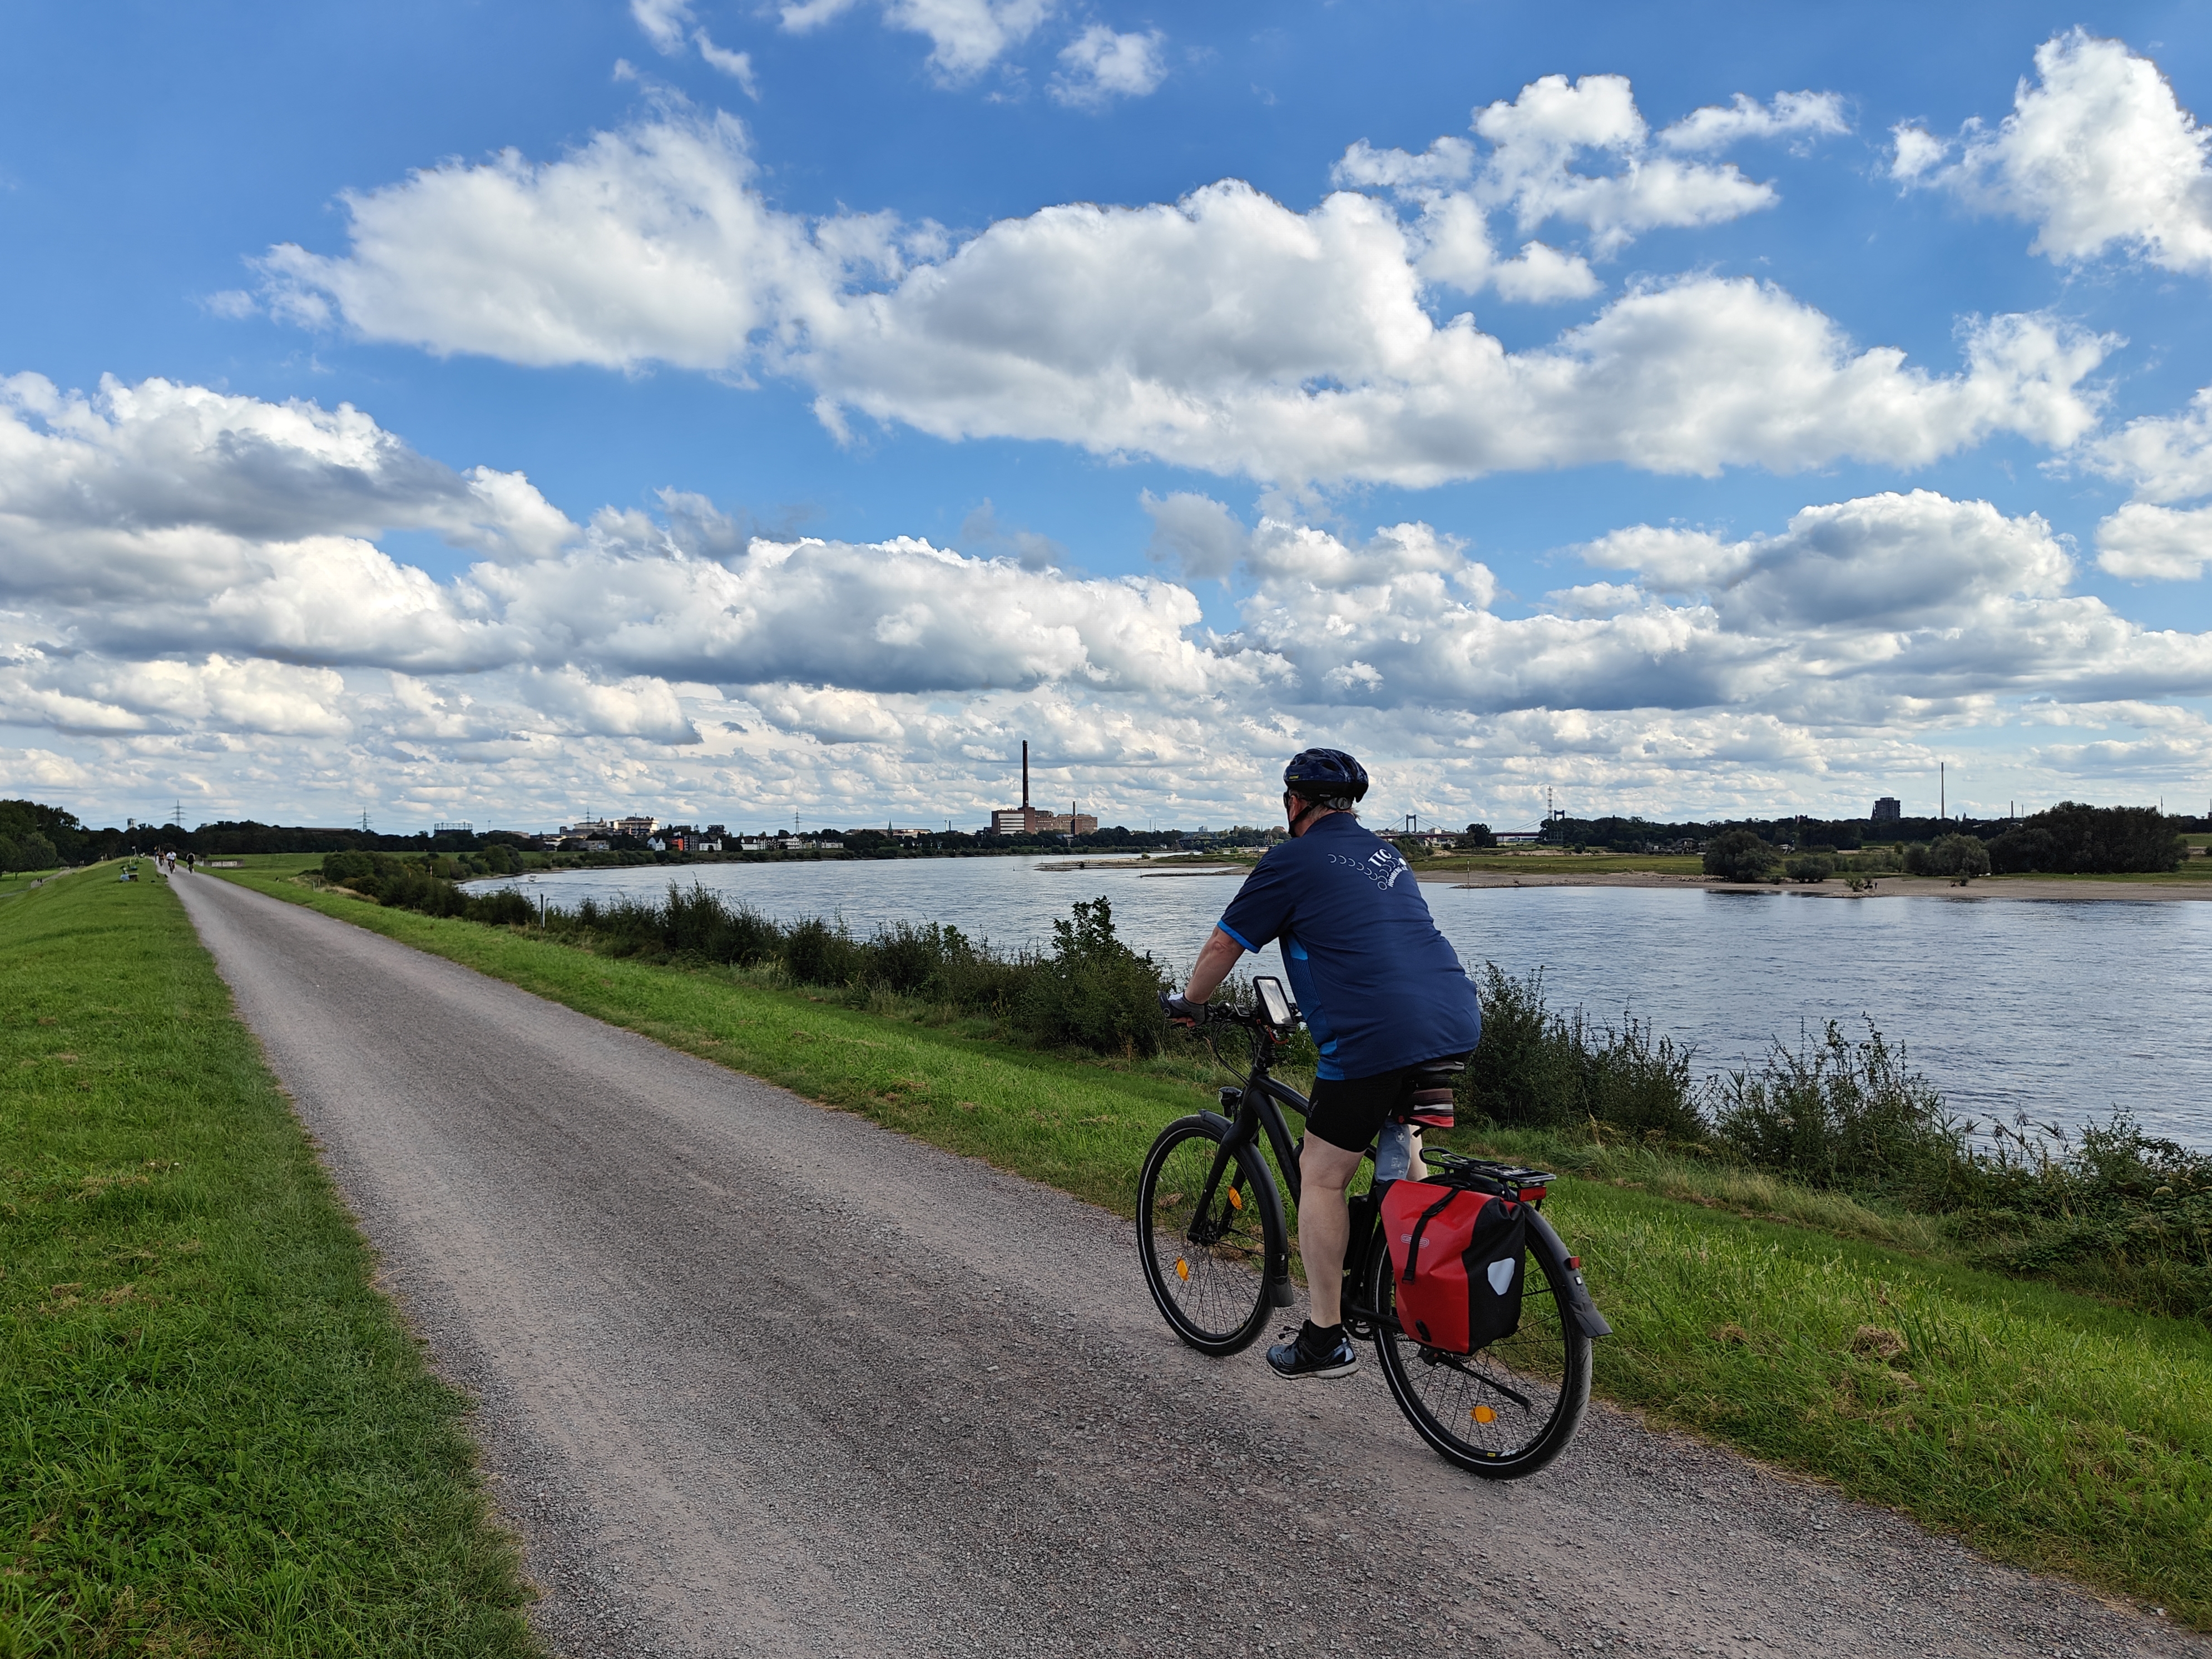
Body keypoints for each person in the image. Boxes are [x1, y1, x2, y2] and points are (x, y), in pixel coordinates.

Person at [1164, 749, 1482, 1379]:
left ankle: (1324, 1336)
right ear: (1350, 806)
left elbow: (1225, 941)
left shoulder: (1288, 859)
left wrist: (1188, 1002)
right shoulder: (1387, 855)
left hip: (1372, 1036)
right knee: (1400, 1152)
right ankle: (1409, 1289)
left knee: (1322, 1173)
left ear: (1293, 804)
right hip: (1452, 1020)